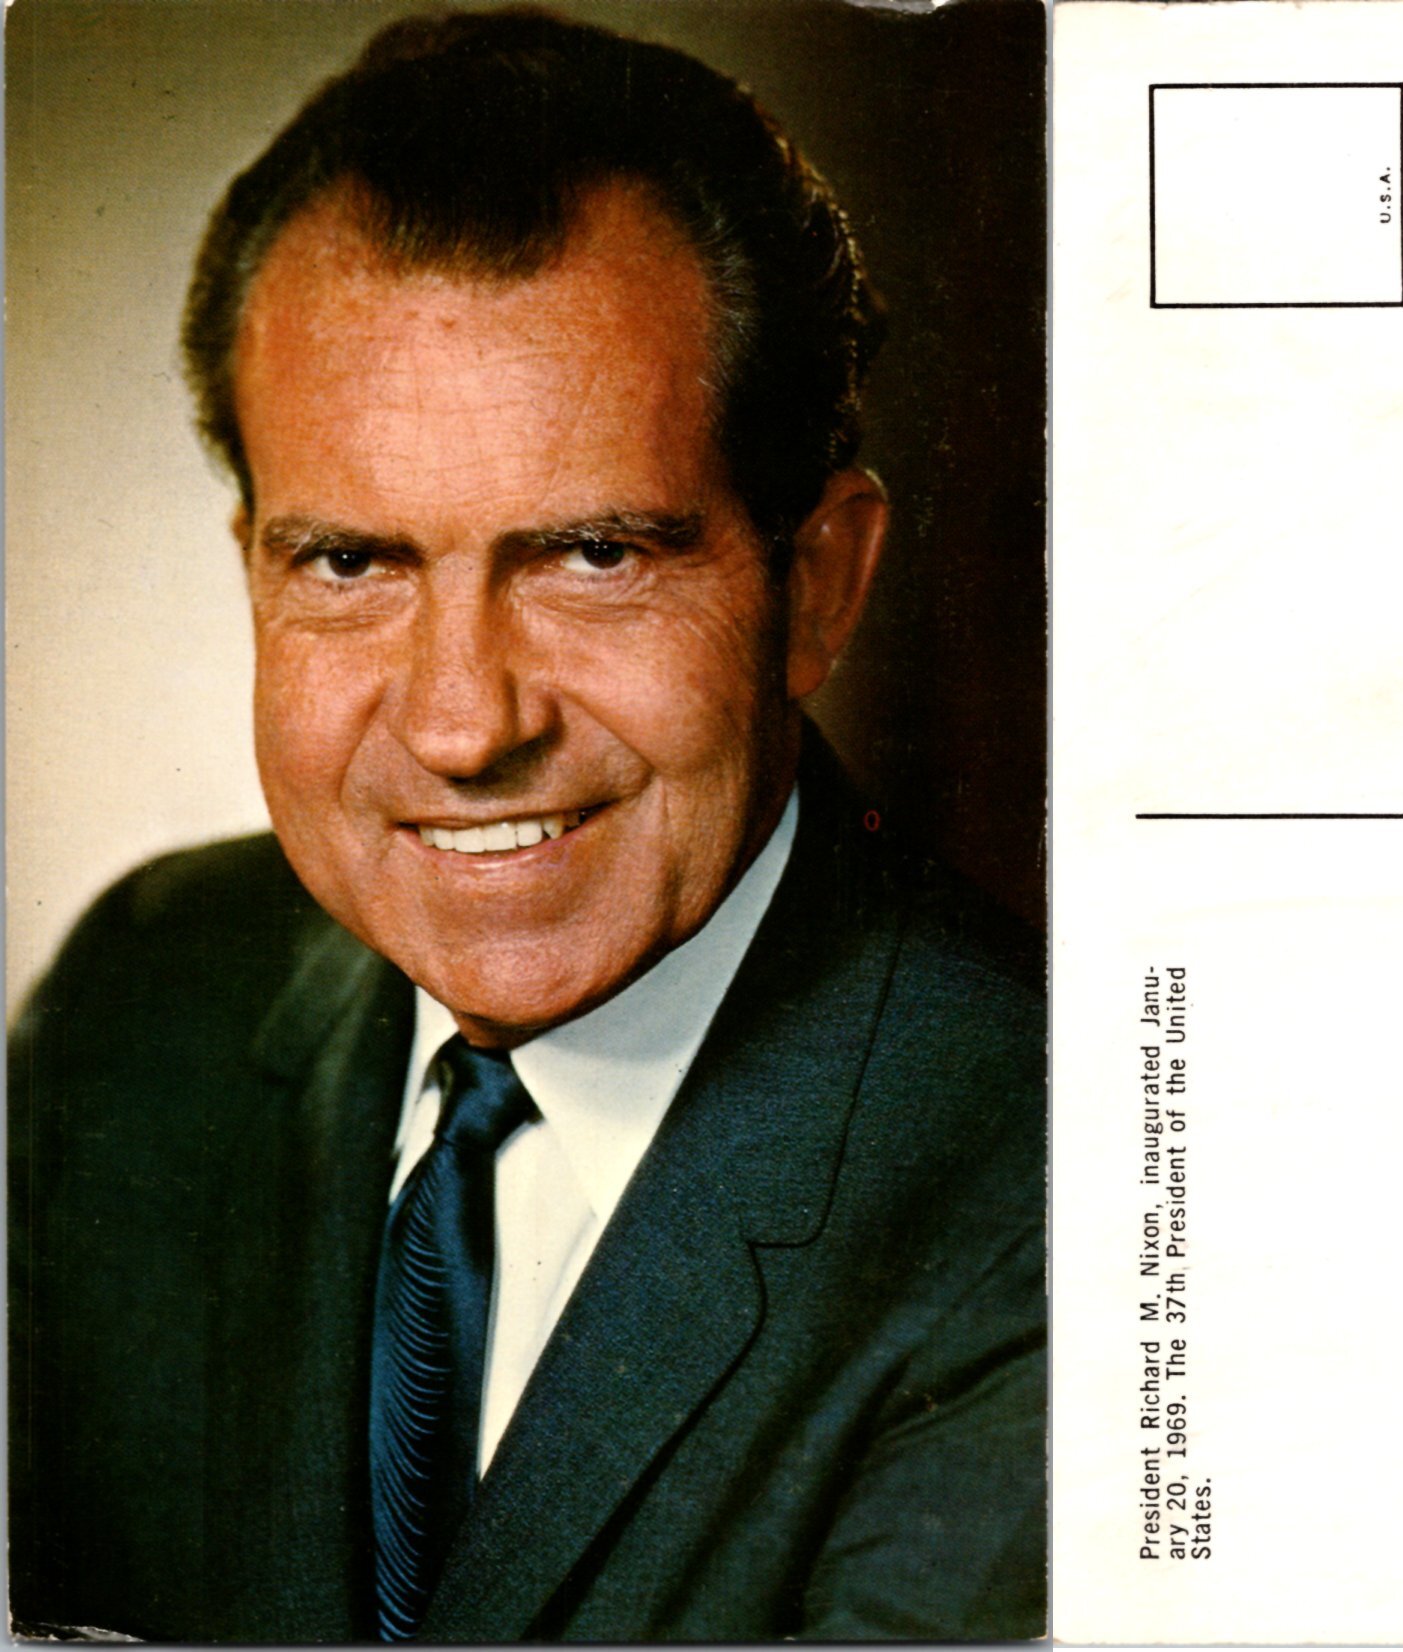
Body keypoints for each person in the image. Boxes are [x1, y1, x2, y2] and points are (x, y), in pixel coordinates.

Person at [7, 10, 1044, 1642]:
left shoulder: (1065, 1208)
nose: (463, 726)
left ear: (818, 587)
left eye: (593, 556)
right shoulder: (143, 998)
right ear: (255, 570)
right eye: (350, 563)